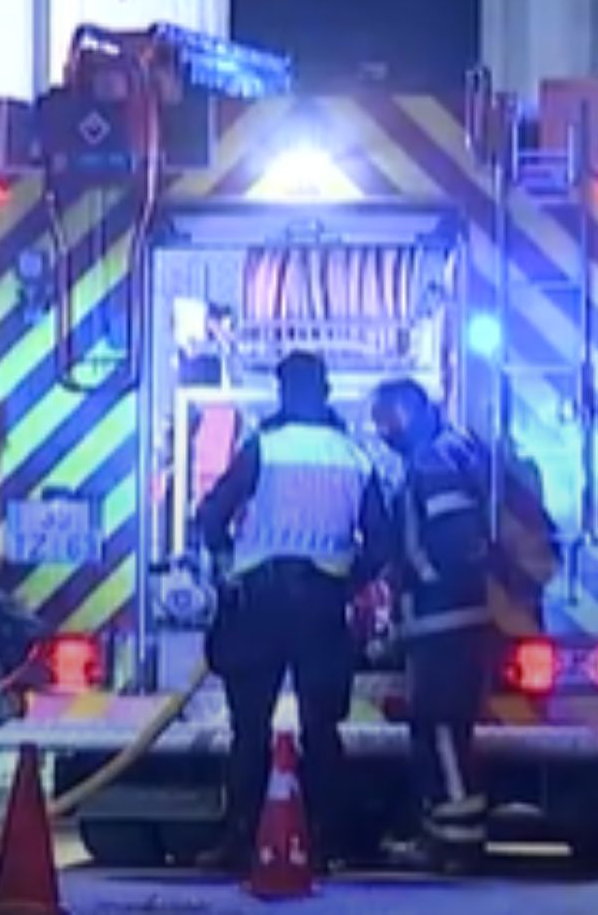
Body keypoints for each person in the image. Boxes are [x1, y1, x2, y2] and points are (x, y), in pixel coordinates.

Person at [191, 350, 372, 874]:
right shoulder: (353, 456)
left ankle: (240, 839)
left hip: (260, 602)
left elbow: (212, 514)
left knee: (250, 728)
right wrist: (348, 579)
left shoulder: (262, 448)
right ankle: (326, 842)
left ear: (281, 392)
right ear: (327, 391)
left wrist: (226, 564)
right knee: (322, 728)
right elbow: (380, 538)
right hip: (322, 604)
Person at [361, 377, 496, 872]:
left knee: (440, 728)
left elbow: (453, 538)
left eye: (384, 420)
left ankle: (457, 842)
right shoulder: (449, 452)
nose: (381, 432)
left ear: (408, 411)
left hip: (445, 619)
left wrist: (426, 581)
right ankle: (441, 834)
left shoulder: (433, 462)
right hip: (442, 620)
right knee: (436, 729)